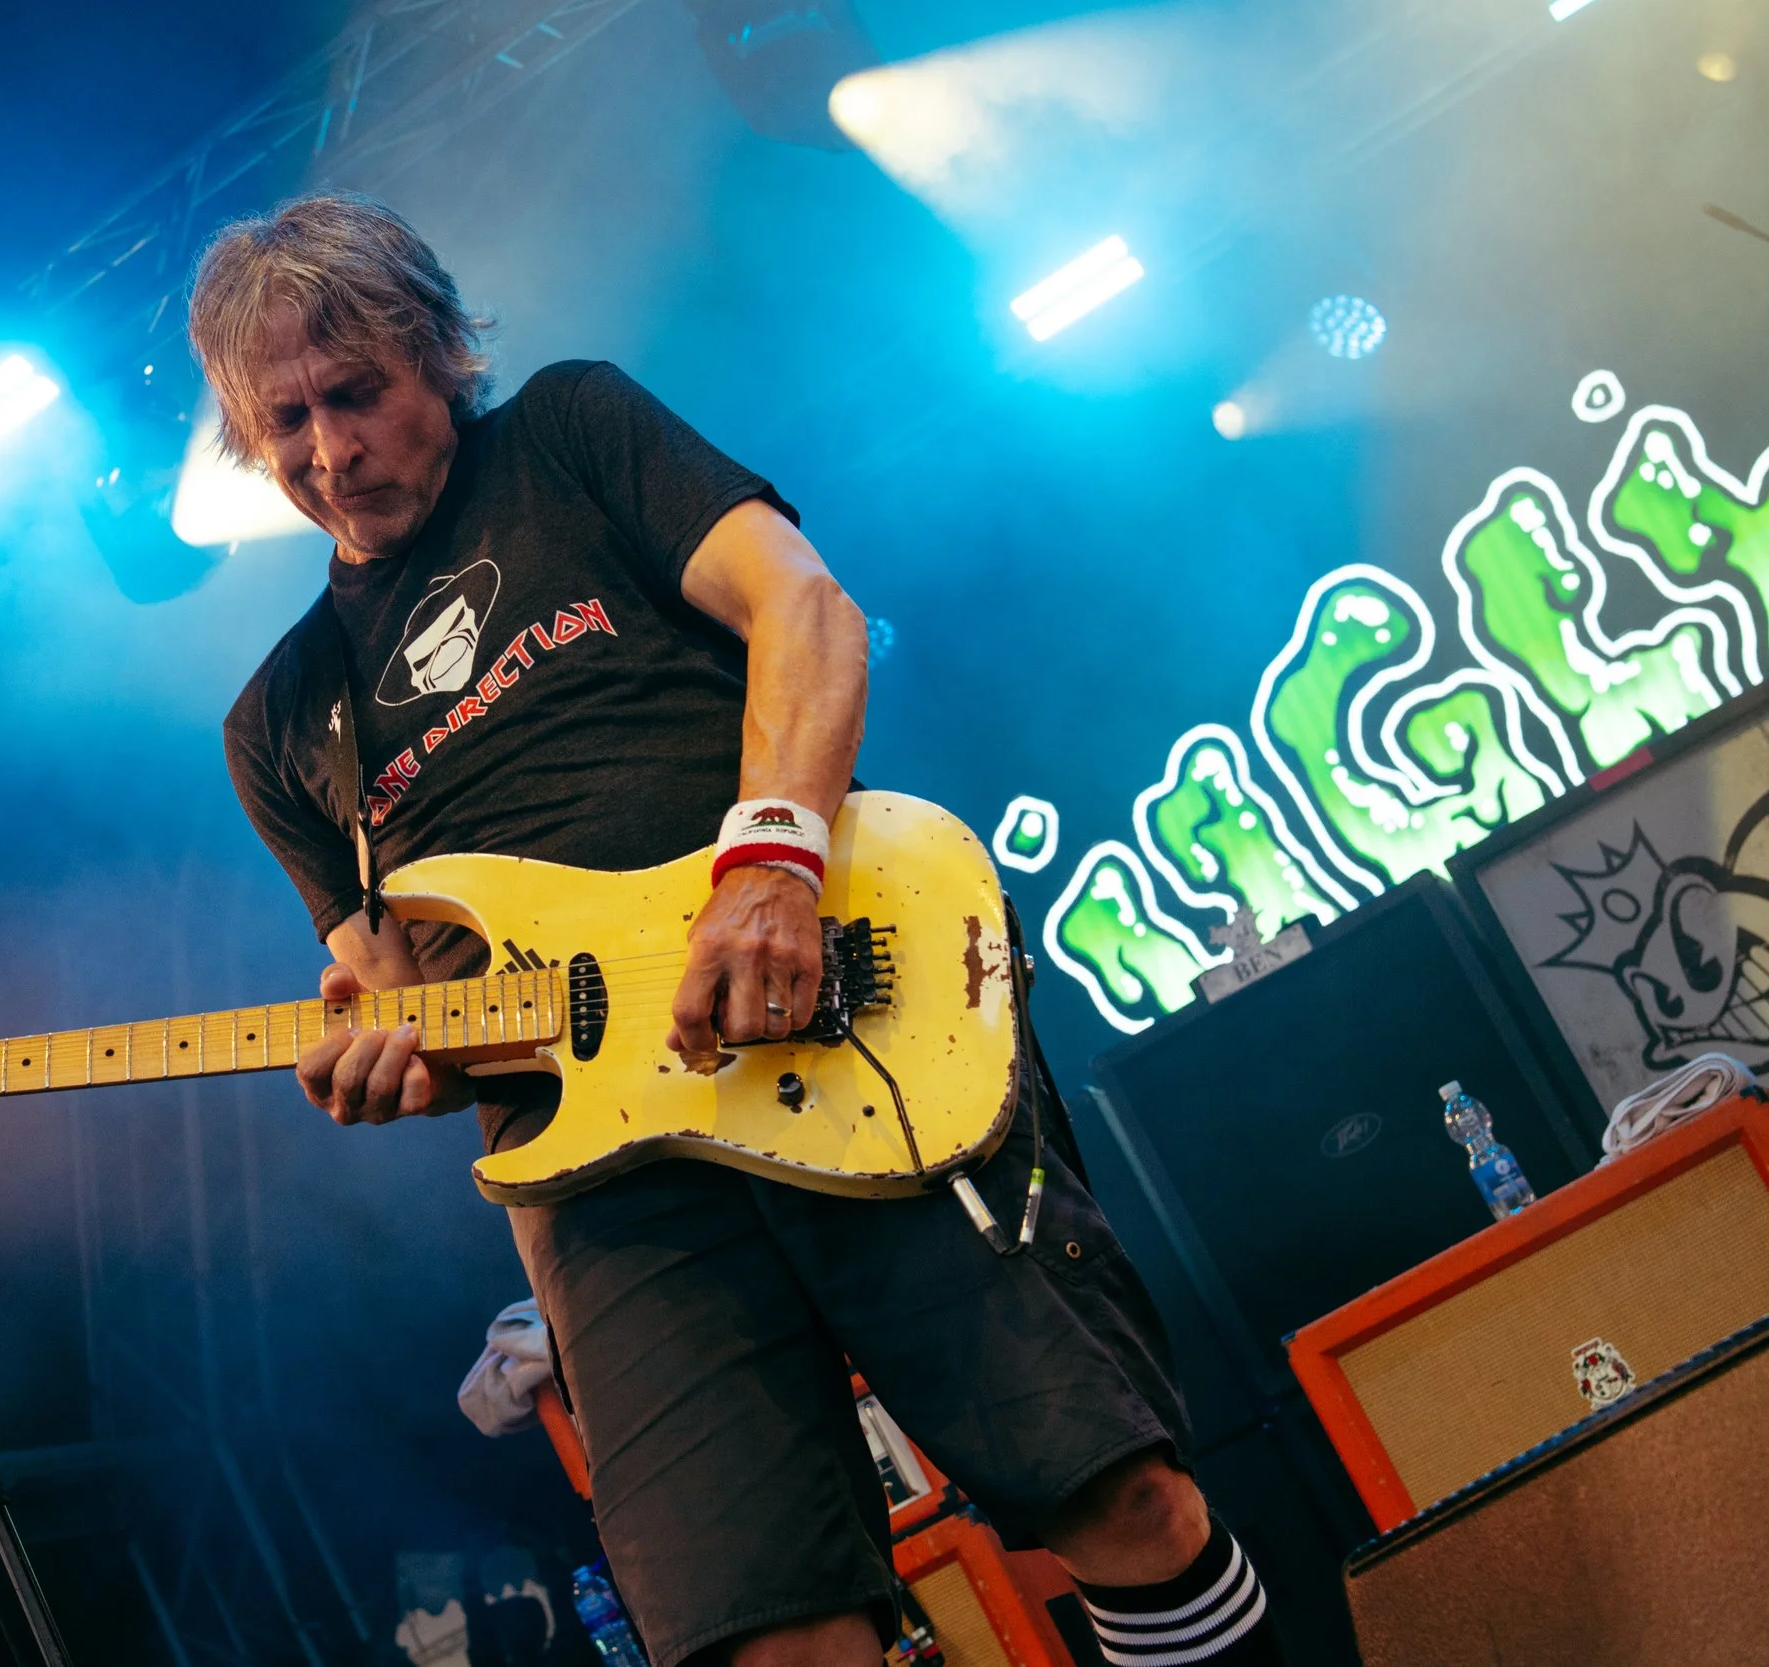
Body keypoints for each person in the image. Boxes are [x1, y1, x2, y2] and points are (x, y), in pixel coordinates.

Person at [202, 194, 1285, 1667]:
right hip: (608, 1183)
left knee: (1124, 1502)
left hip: (834, 1015)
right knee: (765, 1640)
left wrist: (770, 867)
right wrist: (390, 1058)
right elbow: (394, 992)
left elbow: (804, 607)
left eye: (357, 395)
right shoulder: (282, 715)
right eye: (285, 422)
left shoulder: (572, 436)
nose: (328, 451)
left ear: (443, 355)